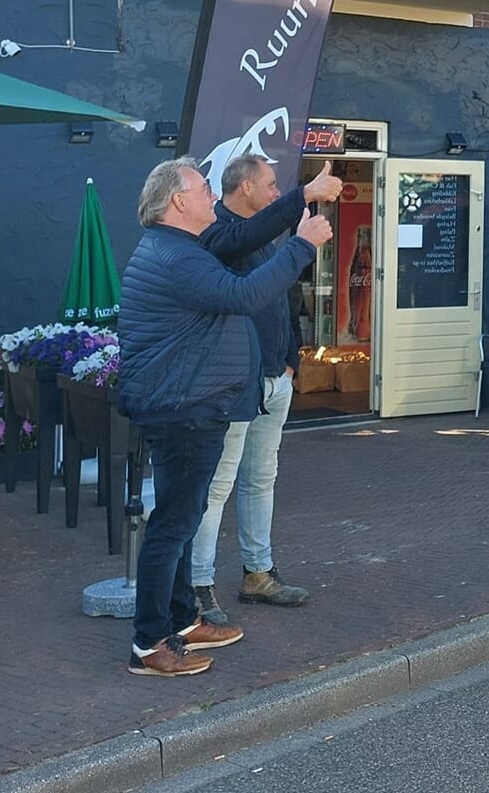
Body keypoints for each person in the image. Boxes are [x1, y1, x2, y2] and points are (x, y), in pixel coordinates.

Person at [117, 158, 331, 677]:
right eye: (202, 187)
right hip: (184, 407)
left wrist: (300, 195)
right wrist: (303, 245)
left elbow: (248, 236)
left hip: (190, 402)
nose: (211, 193)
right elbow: (244, 294)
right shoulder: (178, 257)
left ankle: (184, 617)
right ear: (178, 202)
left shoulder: (181, 247)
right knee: (172, 525)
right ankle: (150, 644)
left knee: (181, 520)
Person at [187, 156, 344, 626]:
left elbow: (285, 298)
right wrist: (305, 198)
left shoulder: (261, 234)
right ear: (245, 189)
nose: (276, 193)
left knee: (260, 479)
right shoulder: (219, 234)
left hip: (276, 378)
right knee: (218, 484)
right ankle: (199, 584)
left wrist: (293, 360)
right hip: (238, 382)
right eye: (271, 185)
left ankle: (258, 573)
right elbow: (244, 241)